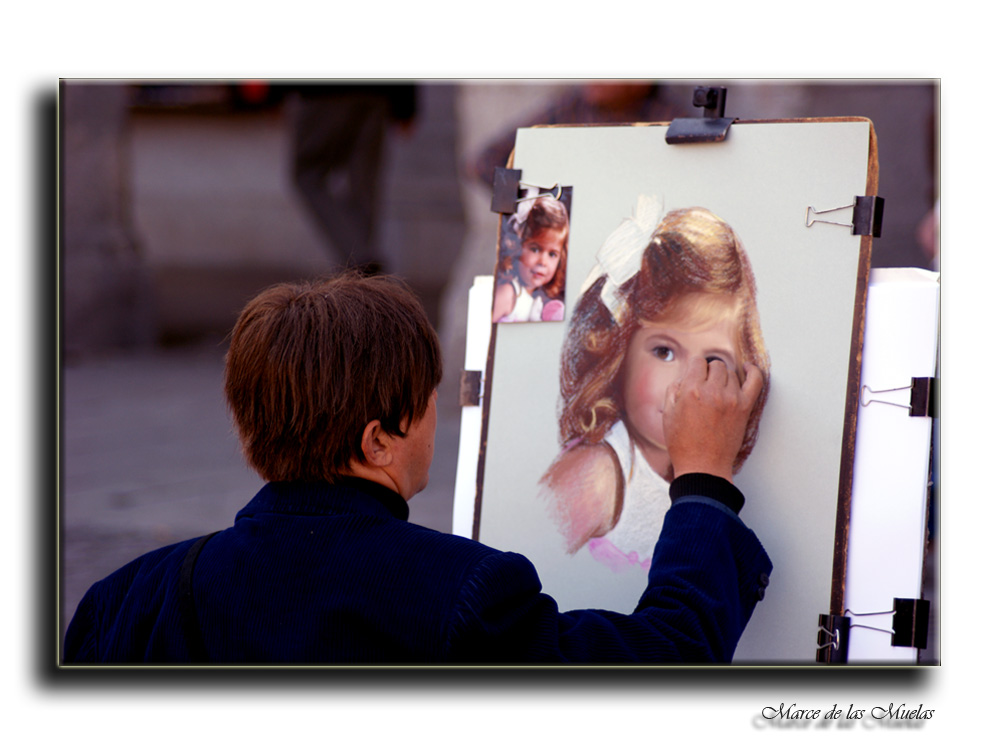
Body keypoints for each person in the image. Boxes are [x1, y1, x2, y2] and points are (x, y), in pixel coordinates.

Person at [63, 271, 771, 664]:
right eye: (429, 402)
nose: (441, 419)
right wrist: (704, 482)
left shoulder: (125, 603)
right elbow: (665, 664)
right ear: (378, 440)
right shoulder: (458, 594)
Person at [541, 200, 770, 572]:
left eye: (713, 361)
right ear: (618, 355)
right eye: (664, 352)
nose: (687, 383)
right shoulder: (598, 475)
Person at [288, 83, 417, 271]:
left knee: (309, 175)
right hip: (376, 89)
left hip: (325, 90)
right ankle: (362, 264)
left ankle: (359, 258)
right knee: (363, 182)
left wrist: (272, 96)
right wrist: (407, 104)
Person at [492, 193, 568, 323]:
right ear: (517, 247)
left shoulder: (537, 301)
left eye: (552, 254)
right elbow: (482, 331)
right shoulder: (509, 293)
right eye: (535, 249)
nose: (543, 262)